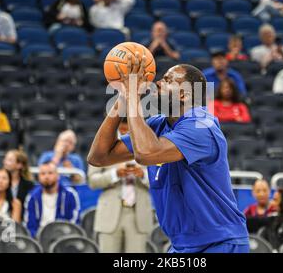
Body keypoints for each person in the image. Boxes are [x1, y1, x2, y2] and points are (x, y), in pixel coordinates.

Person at [87, 58, 250, 253]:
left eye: (167, 80)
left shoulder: (202, 126)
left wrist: (132, 97)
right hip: (182, 245)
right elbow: (98, 157)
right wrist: (122, 99)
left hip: (220, 241)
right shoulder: (158, 124)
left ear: (183, 94)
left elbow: (146, 154)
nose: (157, 82)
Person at [88, 118, 154, 253]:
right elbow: (92, 181)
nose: (125, 132)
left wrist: (143, 175)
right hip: (109, 214)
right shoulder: (103, 144)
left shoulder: (148, 144)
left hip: (139, 215)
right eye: (122, 129)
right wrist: (114, 174)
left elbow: (159, 179)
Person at [24, 162, 80, 237]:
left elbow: (74, 221)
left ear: (58, 176)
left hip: (63, 238)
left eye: (50, 173)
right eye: (43, 174)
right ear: (39, 177)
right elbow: (29, 225)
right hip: (39, 238)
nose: (46, 177)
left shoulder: (70, 195)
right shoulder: (32, 197)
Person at [3, 149, 34, 214]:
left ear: (19, 165)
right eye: (5, 159)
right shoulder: (0, 182)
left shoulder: (29, 185)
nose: (5, 162)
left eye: (9, 160)